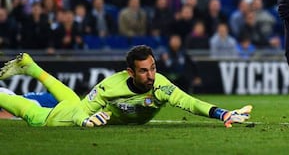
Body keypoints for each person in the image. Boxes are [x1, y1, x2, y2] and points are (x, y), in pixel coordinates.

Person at [0, 46, 252, 127]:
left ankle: (31, 67)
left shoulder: (160, 85)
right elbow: (79, 111)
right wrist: (85, 122)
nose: (151, 75)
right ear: (130, 72)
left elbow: (190, 102)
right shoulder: (111, 86)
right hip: (58, 119)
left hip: (72, 105)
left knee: (69, 97)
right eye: (144, 71)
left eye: (153, 67)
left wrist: (223, 113)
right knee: (30, 113)